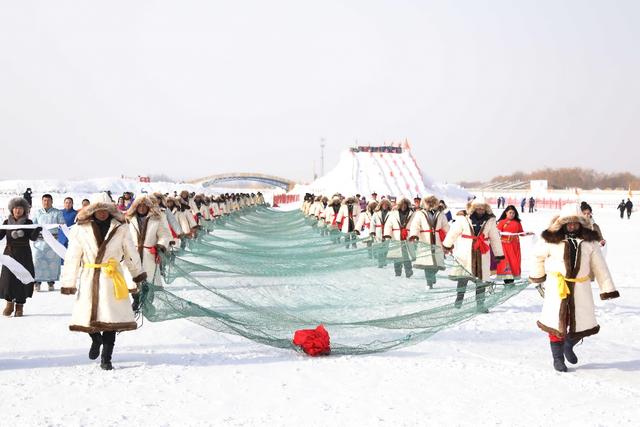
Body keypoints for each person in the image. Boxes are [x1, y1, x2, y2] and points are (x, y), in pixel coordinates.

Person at [60, 193, 147, 370]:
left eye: (106, 209)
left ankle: (106, 358)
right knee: (88, 317)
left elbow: (130, 253)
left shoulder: (121, 227)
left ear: (111, 210)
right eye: (98, 209)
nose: (102, 213)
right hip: (89, 276)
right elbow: (72, 257)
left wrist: (137, 274)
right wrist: (69, 281)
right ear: (92, 210)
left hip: (112, 277)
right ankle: (95, 339)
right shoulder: (80, 229)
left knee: (111, 319)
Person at [529, 203, 619, 372]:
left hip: (580, 288)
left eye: (575, 223)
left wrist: (607, 288)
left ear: (581, 223)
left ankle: (568, 344)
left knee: (583, 322)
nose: (571, 226)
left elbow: (600, 266)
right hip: (558, 287)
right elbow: (537, 256)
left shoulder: (589, 241)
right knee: (557, 322)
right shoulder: (550, 238)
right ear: (562, 223)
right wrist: (538, 276)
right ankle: (557, 358)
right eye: (568, 223)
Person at [442, 198, 504, 313]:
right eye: (478, 208)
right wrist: (447, 244)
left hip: (482, 252)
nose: (480, 210)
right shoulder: (463, 219)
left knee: (481, 281)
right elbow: (453, 232)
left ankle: (480, 305)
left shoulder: (490, 220)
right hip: (465, 252)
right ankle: (459, 300)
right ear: (473, 208)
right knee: (463, 278)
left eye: (482, 208)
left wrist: (498, 254)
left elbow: (495, 238)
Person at [125, 196, 171, 312]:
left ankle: (148, 302)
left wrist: (160, 246)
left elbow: (164, 235)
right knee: (133, 279)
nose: (141, 208)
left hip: (149, 254)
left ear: (148, 207)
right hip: (132, 253)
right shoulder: (128, 219)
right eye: (139, 206)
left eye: (144, 205)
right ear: (135, 207)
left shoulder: (157, 219)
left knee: (149, 279)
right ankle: (136, 301)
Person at [1, 198, 41, 317]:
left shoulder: (28, 223)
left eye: (20, 208)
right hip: (9, 253)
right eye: (15, 208)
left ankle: (20, 305)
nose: (17, 210)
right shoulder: (6, 223)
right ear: (11, 210)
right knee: (7, 279)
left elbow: (32, 238)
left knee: (22, 279)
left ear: (24, 210)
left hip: (24, 254)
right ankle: (9, 304)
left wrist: (37, 229)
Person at [409, 195, 450, 289]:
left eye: (432, 202)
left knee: (437, 264)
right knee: (427, 264)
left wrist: (449, 238)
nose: (431, 204)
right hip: (425, 240)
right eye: (429, 202)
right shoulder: (420, 213)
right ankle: (429, 283)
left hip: (437, 240)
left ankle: (432, 276)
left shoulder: (440, 214)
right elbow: (415, 225)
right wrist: (414, 235)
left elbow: (445, 226)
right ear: (426, 203)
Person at [32, 194, 65, 292]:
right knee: (37, 262)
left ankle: (51, 283)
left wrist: (60, 225)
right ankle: (37, 283)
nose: (46, 202)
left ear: (52, 201)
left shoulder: (57, 212)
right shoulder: (37, 212)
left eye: (48, 200)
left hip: (53, 242)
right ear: (42, 201)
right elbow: (33, 225)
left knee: (52, 263)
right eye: (44, 200)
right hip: (39, 242)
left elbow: (62, 224)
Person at [496, 205, 531, 284]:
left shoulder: (517, 223)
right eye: (510, 212)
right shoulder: (502, 222)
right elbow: (497, 233)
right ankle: (507, 280)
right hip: (504, 246)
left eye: (513, 213)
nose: (512, 214)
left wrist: (527, 233)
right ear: (506, 213)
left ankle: (512, 278)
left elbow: (521, 232)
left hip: (515, 246)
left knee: (514, 262)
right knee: (506, 262)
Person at [384, 197, 415, 278]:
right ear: (399, 205)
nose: (404, 206)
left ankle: (408, 271)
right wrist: (387, 234)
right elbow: (388, 225)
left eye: (405, 204)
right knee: (396, 255)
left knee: (406, 255)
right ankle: (397, 272)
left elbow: (415, 225)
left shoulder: (412, 214)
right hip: (396, 236)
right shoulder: (393, 214)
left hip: (407, 237)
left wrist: (414, 234)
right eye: (402, 204)